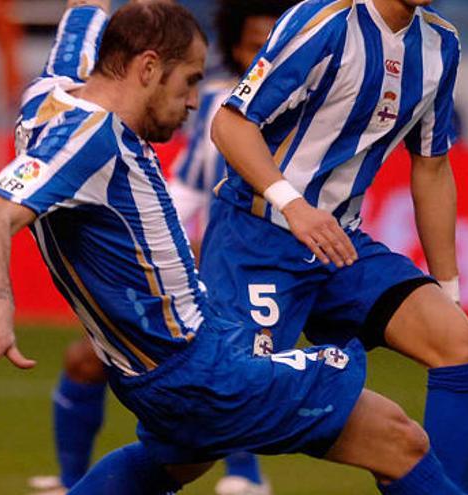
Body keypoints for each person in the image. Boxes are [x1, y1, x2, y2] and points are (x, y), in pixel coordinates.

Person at [0, 1, 466, 494]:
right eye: (190, 81)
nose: (195, 101)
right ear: (148, 68)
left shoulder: (50, 94)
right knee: (401, 440)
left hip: (159, 372)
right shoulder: (91, 140)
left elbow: (83, 18)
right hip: (204, 372)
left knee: (178, 461)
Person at [200, 1, 468, 493]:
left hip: (339, 246)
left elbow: (433, 166)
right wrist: (293, 204)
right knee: (205, 431)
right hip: (257, 238)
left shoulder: (442, 44)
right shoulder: (324, 20)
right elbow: (231, 124)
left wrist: (450, 291)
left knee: (463, 345)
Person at [29, 2, 294, 493]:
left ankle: (243, 474)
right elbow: (190, 186)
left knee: (238, 367)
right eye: (257, 49)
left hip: (278, 265)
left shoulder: (313, 106)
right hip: (207, 263)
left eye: (275, 48)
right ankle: (73, 480)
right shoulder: (220, 106)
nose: (267, 60)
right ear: (237, 51)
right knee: (87, 361)